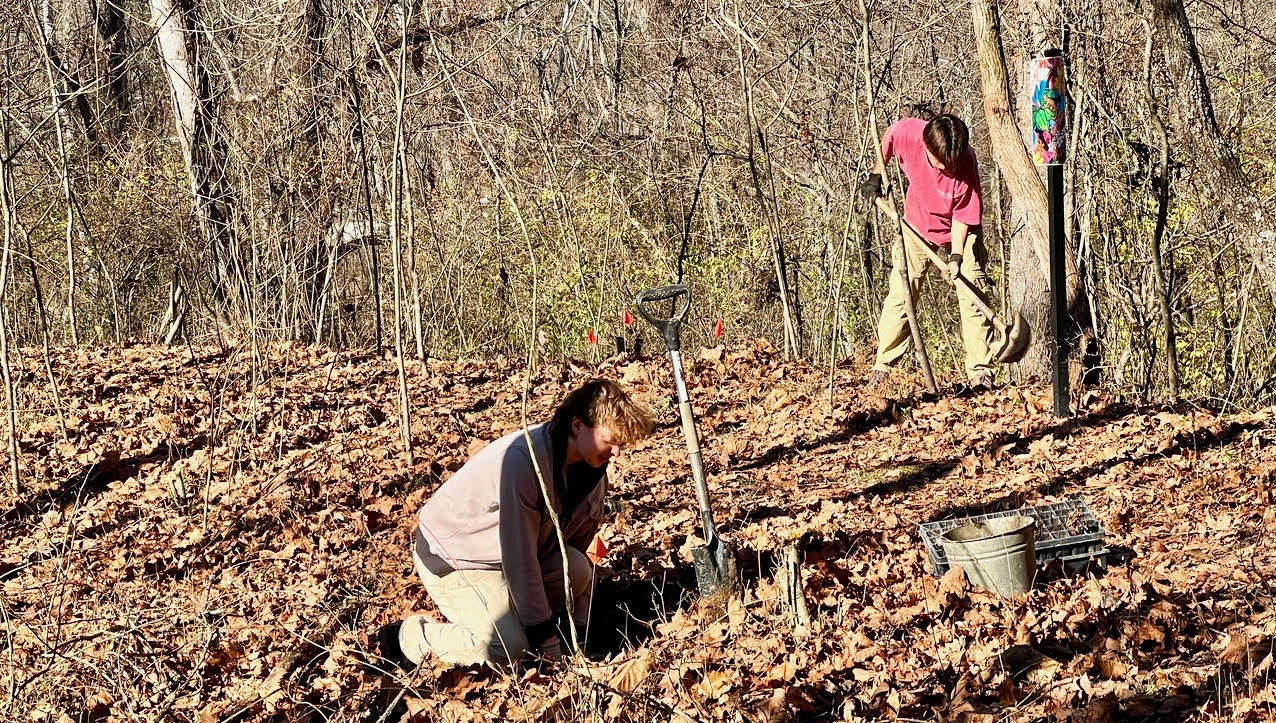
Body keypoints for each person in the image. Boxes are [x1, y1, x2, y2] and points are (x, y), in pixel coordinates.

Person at [378, 379, 654, 668]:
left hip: (511, 557)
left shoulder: (594, 477)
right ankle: (407, 637)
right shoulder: (525, 462)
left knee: (579, 570)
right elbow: (519, 560)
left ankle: (520, 619)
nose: (617, 452)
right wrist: (546, 642)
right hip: (455, 557)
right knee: (509, 648)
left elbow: (571, 553)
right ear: (577, 426)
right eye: (610, 440)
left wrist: (580, 633)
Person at [860, 113, 996, 390]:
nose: (947, 168)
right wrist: (877, 173)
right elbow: (889, 135)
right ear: (926, 148)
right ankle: (883, 367)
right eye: (941, 162)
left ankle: (980, 372)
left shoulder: (965, 162)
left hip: (960, 231)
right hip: (917, 224)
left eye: (952, 163)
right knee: (902, 291)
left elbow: (963, 217)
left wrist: (956, 257)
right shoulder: (910, 134)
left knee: (972, 290)